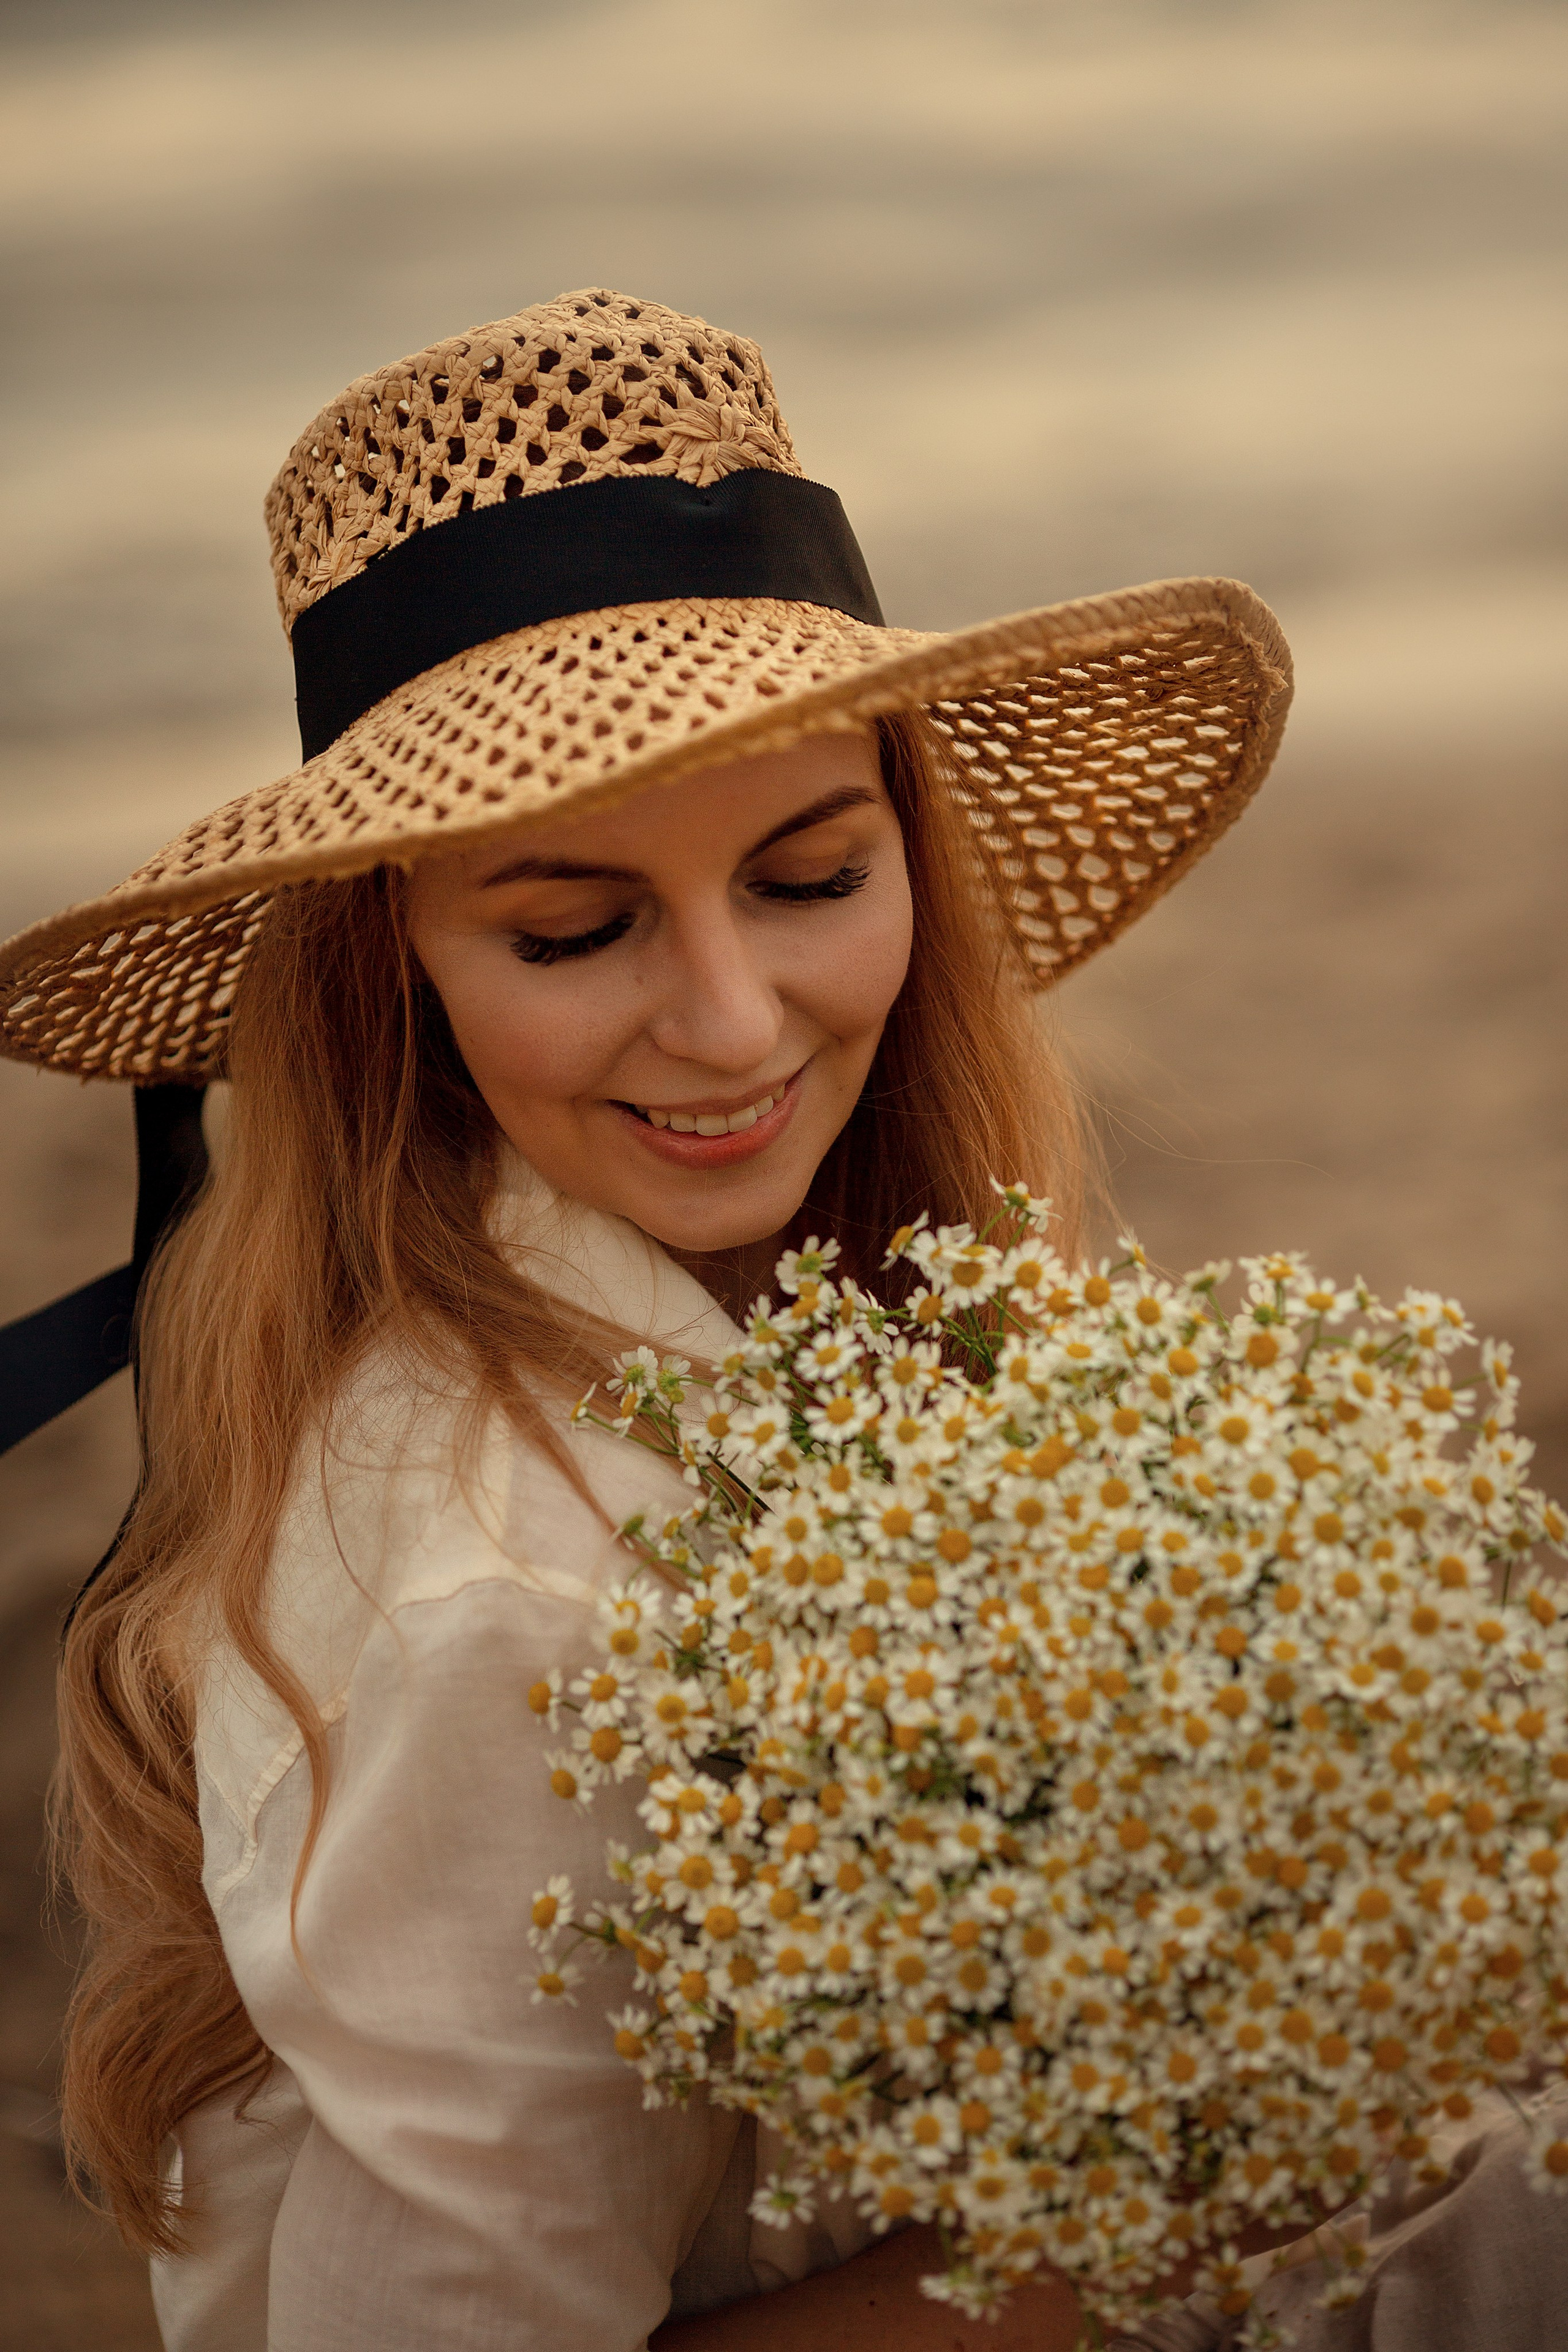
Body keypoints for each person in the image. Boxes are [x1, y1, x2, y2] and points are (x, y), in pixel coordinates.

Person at [0, 288, 1313, 2348]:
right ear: (392, 967)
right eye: (572, 929)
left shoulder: (829, 1316)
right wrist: (1138, 2242)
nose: (727, 1023)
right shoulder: (509, 1600)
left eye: (810, 880)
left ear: (915, 858)